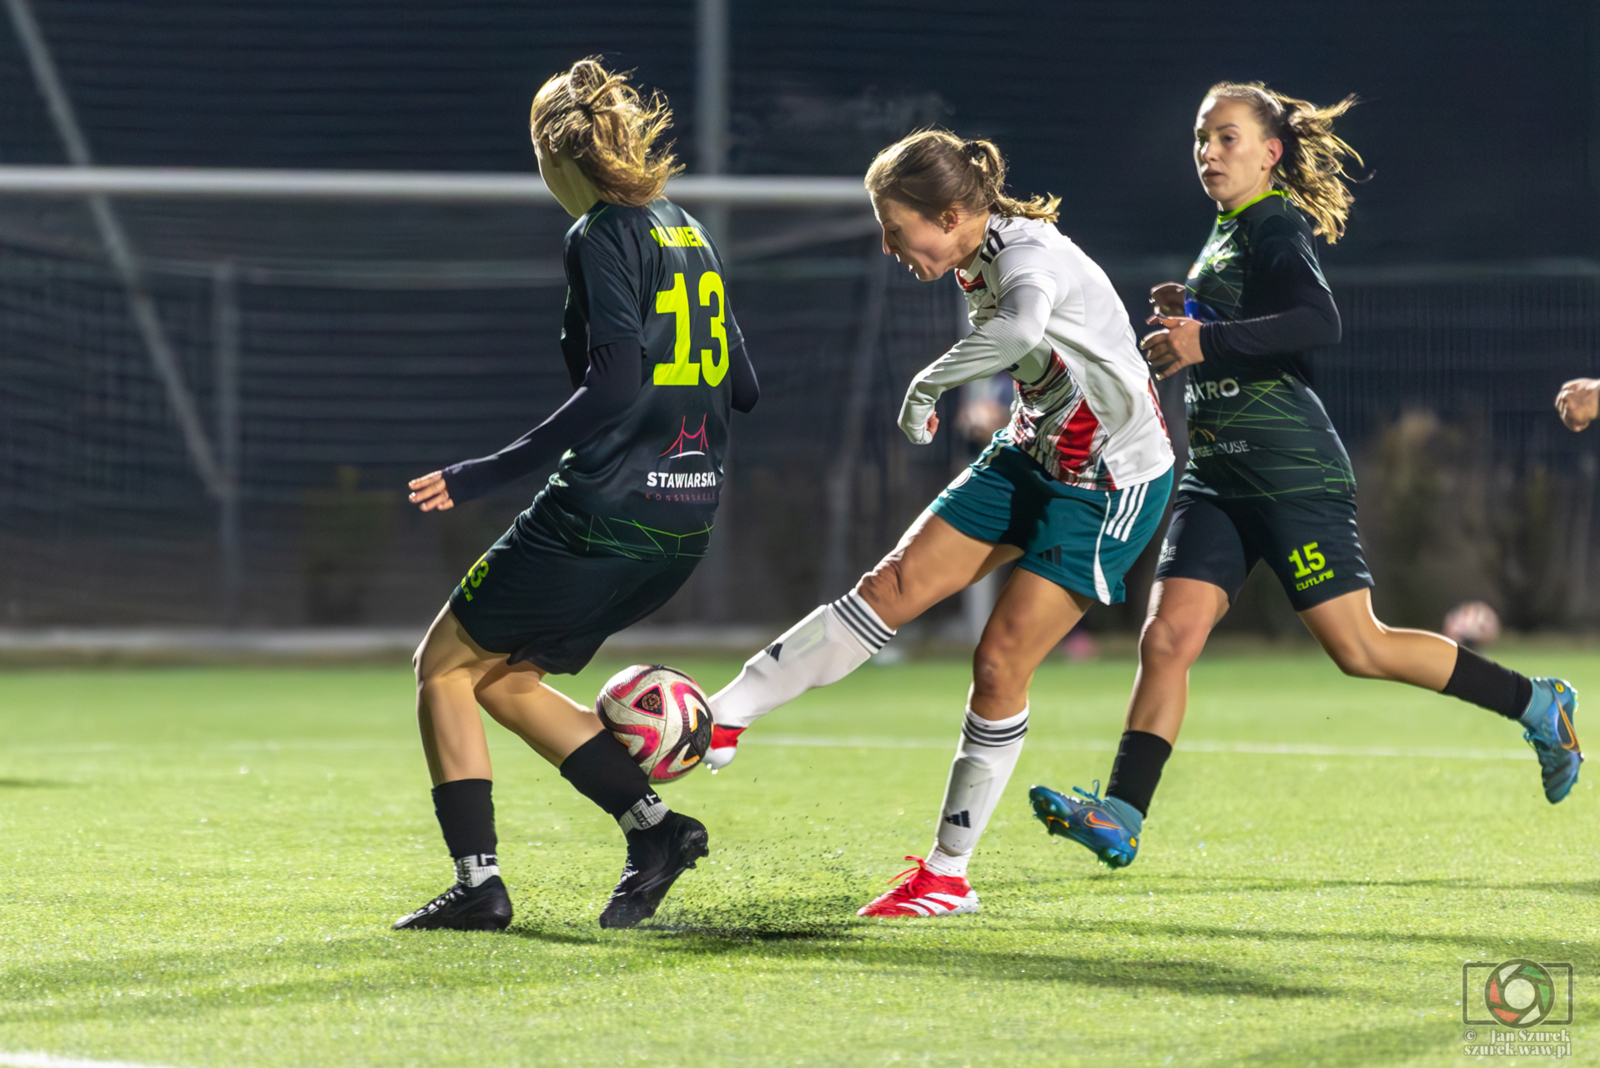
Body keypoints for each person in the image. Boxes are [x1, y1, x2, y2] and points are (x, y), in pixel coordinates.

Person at [1030, 82, 1582, 871]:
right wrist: (1197, 311)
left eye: (1225, 139)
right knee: (1167, 639)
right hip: (1217, 477)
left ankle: (1536, 703)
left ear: (1270, 151)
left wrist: (1203, 343)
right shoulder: (1225, 234)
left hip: (1290, 473)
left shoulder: (1275, 222)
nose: (1208, 153)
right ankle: (1120, 812)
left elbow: (1318, 323)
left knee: (1359, 648)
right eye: (1200, 140)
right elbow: (1254, 329)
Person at [707, 130, 1174, 917]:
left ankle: (947, 875)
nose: (890, 247)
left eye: (896, 229)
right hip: (1028, 454)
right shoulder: (973, 255)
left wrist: (924, 388)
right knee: (888, 587)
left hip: (1108, 485)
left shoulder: (1032, 256)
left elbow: (1023, 331)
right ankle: (724, 717)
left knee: (998, 664)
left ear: (952, 212)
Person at [393, 58, 759, 931]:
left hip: (603, 510)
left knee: (441, 667)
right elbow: (742, 386)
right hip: (686, 518)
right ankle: (655, 831)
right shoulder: (687, 229)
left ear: (554, 155)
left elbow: (615, 383)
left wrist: (485, 471)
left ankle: (479, 886)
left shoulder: (600, 232)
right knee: (506, 679)